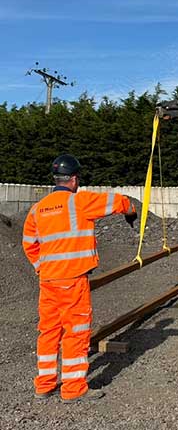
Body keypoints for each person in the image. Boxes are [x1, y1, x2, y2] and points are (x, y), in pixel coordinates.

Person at [22, 154, 137, 403]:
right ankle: (73, 389)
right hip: (73, 281)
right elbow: (118, 202)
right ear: (74, 179)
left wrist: (42, 266)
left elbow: (29, 243)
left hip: (48, 281)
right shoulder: (80, 201)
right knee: (75, 332)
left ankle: (44, 385)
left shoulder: (37, 209)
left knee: (49, 332)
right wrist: (131, 210)